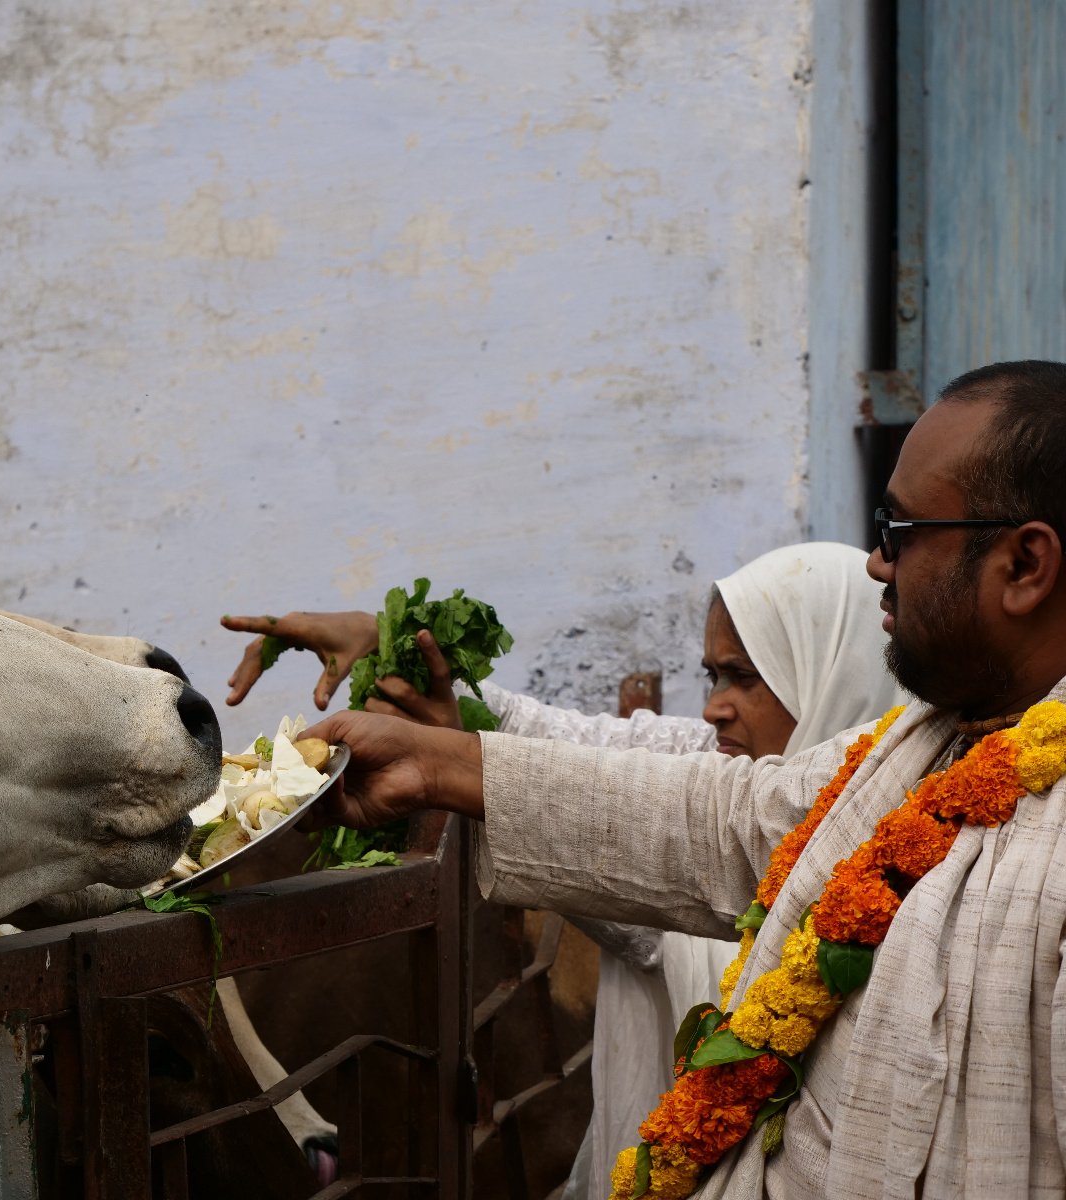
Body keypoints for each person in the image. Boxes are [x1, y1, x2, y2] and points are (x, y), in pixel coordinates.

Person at [300, 359, 1066, 1198]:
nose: (879, 565)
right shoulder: (925, 747)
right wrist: (433, 763)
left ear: (1025, 565)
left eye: (901, 531)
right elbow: (724, 820)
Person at [223, 543, 899, 1199]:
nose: (713, 706)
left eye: (744, 677)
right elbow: (586, 760)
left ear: (833, 671)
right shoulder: (717, 777)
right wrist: (391, 643)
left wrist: (442, 756)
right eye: (712, 676)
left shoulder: (913, 855)